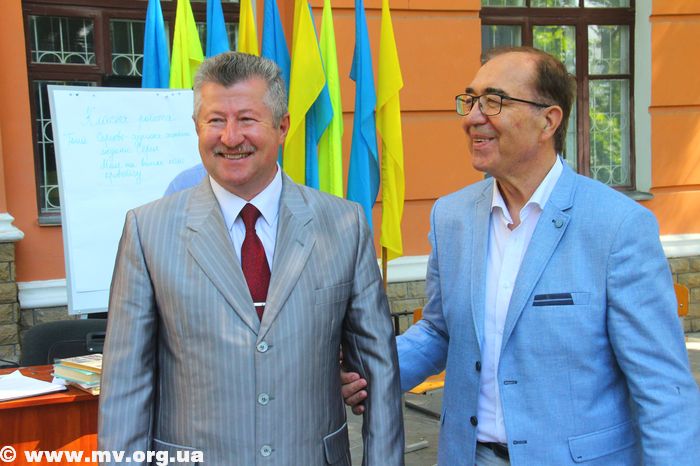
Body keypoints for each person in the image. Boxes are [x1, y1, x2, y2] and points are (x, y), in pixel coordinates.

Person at [342, 46, 700, 465]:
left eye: (494, 101)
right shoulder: (451, 217)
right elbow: (441, 331)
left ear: (548, 120)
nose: (472, 117)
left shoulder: (618, 226)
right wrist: (373, 369)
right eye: (470, 100)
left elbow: (662, 387)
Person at [98, 52, 404, 466]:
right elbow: (125, 389)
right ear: (196, 126)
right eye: (215, 120)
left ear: (282, 126)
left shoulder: (344, 224)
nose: (230, 137)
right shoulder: (147, 231)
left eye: (246, 119)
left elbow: (379, 374)